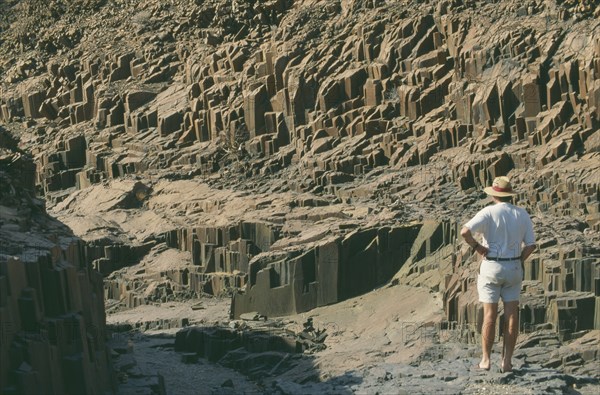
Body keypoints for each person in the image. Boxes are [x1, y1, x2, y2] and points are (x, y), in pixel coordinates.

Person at [460, 176, 536, 373]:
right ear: (509, 195)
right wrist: (519, 260)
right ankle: (507, 362)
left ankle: (486, 360)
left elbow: (464, 232)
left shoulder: (488, 212)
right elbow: (531, 245)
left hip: (492, 267)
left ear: (494, 194)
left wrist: (478, 247)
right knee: (512, 315)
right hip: (513, 268)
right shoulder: (522, 214)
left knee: (489, 316)